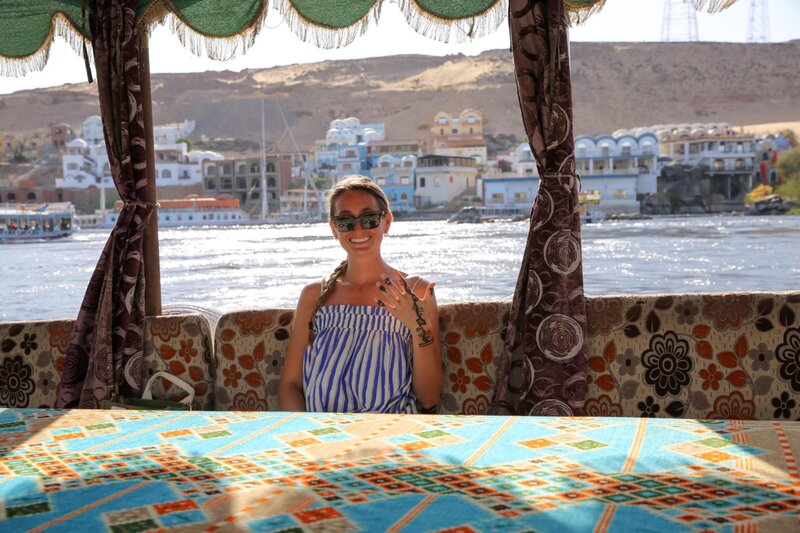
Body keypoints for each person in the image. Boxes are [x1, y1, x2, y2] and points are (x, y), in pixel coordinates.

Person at [278, 176, 443, 414]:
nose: (358, 229)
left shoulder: (416, 291)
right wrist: (307, 429)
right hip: (321, 432)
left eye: (368, 219)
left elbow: (429, 398)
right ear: (334, 228)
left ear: (386, 221)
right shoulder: (314, 296)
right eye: (345, 221)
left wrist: (418, 328)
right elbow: (289, 386)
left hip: (389, 432)